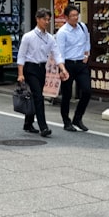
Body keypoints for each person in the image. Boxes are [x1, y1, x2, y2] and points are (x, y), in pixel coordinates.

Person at [17, 8, 68, 138]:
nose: (47, 22)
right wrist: (20, 73)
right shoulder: (28, 36)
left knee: (34, 95)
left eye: (48, 19)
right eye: (44, 19)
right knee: (39, 96)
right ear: (37, 19)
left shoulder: (50, 38)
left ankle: (28, 123)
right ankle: (43, 126)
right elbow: (21, 56)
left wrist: (62, 69)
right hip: (30, 68)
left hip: (41, 69)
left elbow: (57, 54)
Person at [56, 6, 92, 132]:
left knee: (87, 91)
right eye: (72, 16)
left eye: (77, 15)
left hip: (81, 64)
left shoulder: (82, 26)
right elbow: (59, 52)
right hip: (68, 64)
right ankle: (66, 121)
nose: (75, 18)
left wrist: (87, 54)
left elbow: (87, 40)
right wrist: (62, 69)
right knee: (67, 95)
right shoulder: (62, 32)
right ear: (66, 17)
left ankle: (78, 118)